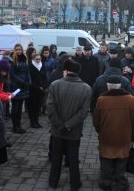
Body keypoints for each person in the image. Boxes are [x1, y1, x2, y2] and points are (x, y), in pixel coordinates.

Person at [47, 59, 91, 191]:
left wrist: (60, 125)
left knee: (56, 157)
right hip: (74, 131)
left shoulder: (55, 85)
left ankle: (53, 182)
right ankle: (75, 184)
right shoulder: (87, 88)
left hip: (57, 130)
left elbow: (50, 107)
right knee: (73, 158)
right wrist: (68, 125)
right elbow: (83, 113)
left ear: (65, 71)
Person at [93, 75, 134, 191]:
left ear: (108, 86)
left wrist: (100, 131)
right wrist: (133, 137)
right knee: (122, 159)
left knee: (106, 159)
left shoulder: (101, 100)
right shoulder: (131, 99)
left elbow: (96, 120)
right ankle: (121, 183)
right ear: (121, 86)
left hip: (106, 136)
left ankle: (106, 182)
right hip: (124, 136)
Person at [9, 43, 31, 134]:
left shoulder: (25, 59)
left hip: (23, 86)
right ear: (14, 50)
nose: (18, 51)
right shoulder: (13, 60)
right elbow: (12, 74)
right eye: (17, 49)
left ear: (22, 50)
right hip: (15, 86)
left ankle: (19, 125)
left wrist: (28, 81)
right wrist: (21, 82)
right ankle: (15, 126)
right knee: (15, 107)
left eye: (20, 49)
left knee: (20, 107)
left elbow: (27, 71)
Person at [28, 53, 48, 128]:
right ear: (33, 59)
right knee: (32, 106)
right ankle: (32, 122)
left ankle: (37, 121)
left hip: (41, 90)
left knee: (38, 106)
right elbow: (30, 79)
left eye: (39, 59)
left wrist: (44, 86)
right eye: (36, 59)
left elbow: (45, 77)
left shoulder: (42, 66)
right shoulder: (30, 66)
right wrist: (37, 87)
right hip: (33, 90)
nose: (38, 61)